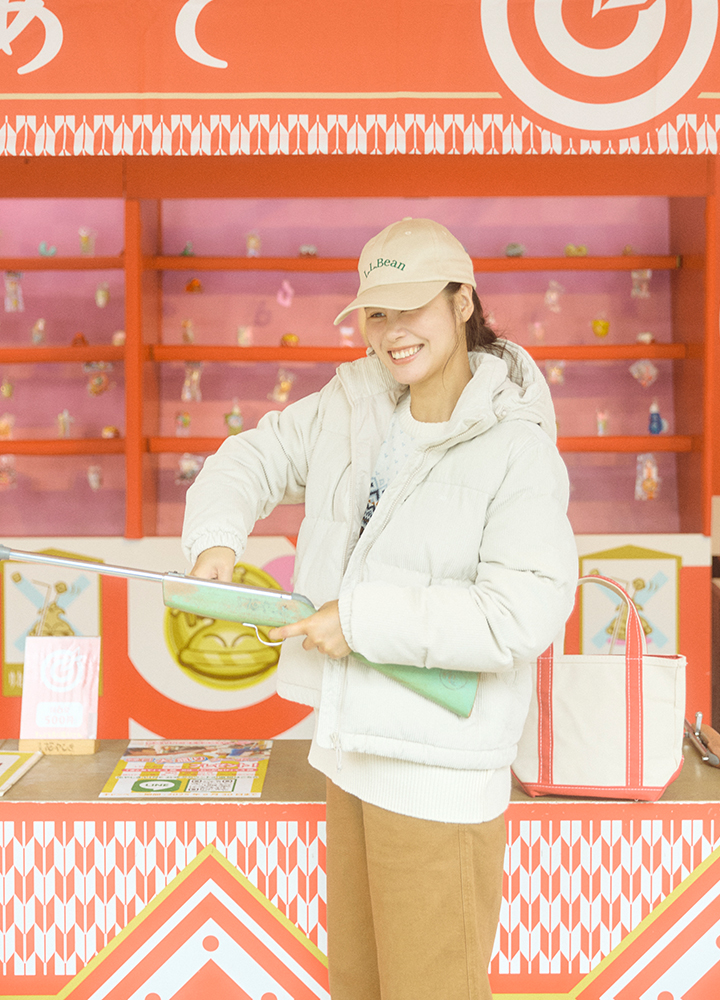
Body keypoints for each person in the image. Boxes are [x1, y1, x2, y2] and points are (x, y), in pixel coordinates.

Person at [182, 217, 578, 1000]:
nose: (393, 333)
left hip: (437, 776)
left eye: (412, 308)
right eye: (376, 313)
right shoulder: (353, 403)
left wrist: (357, 621)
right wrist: (216, 542)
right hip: (351, 755)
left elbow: (518, 616)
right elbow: (250, 457)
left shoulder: (517, 445)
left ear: (462, 301)